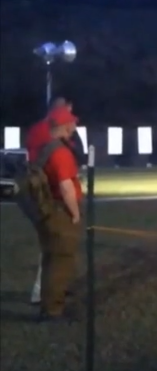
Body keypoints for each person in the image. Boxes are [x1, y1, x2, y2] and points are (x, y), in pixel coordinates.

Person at [26, 98, 84, 305]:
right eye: (71, 121)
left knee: (53, 255)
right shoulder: (59, 151)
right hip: (59, 208)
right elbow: (65, 185)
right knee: (59, 257)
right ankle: (51, 304)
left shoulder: (46, 143)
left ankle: (50, 296)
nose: (74, 126)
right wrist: (75, 212)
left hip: (46, 205)